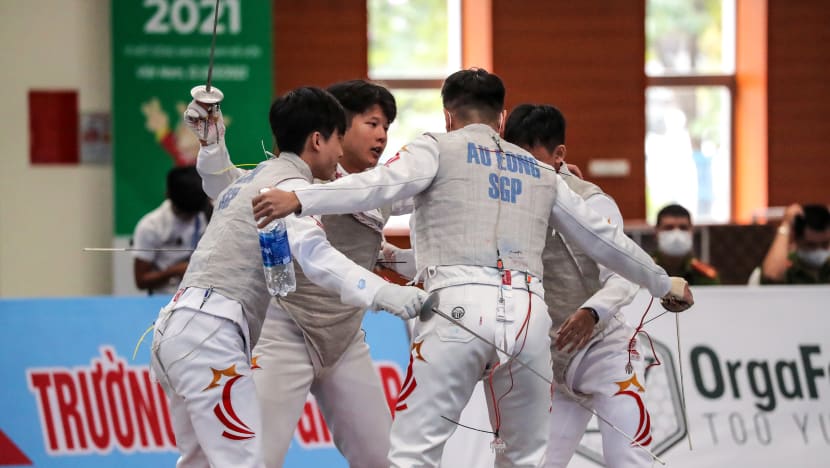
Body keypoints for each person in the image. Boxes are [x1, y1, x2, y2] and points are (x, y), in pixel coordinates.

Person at [251, 68, 693, 467]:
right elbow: (605, 239)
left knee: (413, 454)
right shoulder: (540, 171)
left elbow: (378, 187)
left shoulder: (436, 148)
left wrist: (302, 197)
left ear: (448, 116)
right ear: (501, 119)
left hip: (454, 313)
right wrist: (662, 281)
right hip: (527, 319)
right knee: (522, 458)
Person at [149, 86, 426, 468]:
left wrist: (213, 144)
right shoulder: (293, 188)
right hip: (271, 332)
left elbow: (221, 183)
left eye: (386, 125)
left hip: (193, 329)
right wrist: (382, 293)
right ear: (323, 136)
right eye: (369, 123)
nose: (379, 134)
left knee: (205, 460)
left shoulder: (269, 177)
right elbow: (317, 255)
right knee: (252, 460)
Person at [505, 104, 656, 467]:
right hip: (550, 360)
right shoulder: (505, 200)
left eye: (531, 158)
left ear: (559, 155)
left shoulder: (593, 201)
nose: (522, 169)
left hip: (605, 353)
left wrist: (592, 312)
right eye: (514, 157)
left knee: (628, 460)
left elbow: (625, 273)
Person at [132, 166, 209, 295]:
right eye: (186, 214)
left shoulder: (206, 213)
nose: (190, 218)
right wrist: (175, 270)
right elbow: (141, 281)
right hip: (164, 297)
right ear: (168, 195)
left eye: (193, 213)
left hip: (200, 295)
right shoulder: (150, 227)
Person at [761, 203, 830, 284]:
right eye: (811, 245)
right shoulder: (786, 265)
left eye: (825, 244)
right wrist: (786, 224)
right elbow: (772, 275)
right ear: (796, 239)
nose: (819, 250)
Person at [652, 204, 720, 285]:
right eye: (669, 228)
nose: (676, 235)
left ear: (691, 232)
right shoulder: (643, 271)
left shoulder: (705, 277)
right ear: (656, 232)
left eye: (683, 228)